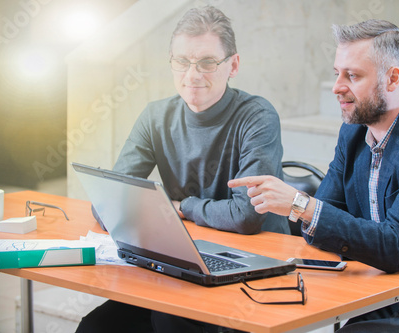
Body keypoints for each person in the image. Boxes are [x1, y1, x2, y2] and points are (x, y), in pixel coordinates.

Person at [229, 19, 399, 333]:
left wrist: (300, 205)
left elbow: (377, 239)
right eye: (337, 73)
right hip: (384, 292)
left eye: (353, 75)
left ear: (392, 79)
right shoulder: (352, 134)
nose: (337, 87)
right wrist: (386, 247)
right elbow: (319, 230)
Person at [77, 5, 285, 333]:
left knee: (171, 321)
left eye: (207, 62)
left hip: (249, 269)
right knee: (96, 328)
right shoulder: (156, 117)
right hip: (184, 262)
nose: (192, 75)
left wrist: (180, 209)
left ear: (234, 65)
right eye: (182, 62)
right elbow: (109, 202)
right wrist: (151, 214)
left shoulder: (257, 117)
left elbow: (246, 216)